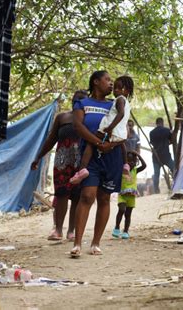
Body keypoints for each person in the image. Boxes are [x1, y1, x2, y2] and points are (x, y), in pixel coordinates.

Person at [70, 70, 124, 257]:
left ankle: (96, 243)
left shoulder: (116, 104)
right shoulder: (82, 104)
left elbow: (123, 129)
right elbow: (78, 126)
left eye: (112, 81)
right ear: (95, 82)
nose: (111, 84)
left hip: (112, 154)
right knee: (87, 195)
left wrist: (111, 144)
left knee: (104, 198)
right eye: (107, 80)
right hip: (90, 154)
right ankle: (77, 243)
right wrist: (98, 142)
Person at [31, 90, 88, 241]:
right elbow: (51, 139)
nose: (79, 103)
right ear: (72, 101)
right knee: (61, 194)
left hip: (81, 163)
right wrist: (37, 157)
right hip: (62, 163)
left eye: (82, 100)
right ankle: (58, 230)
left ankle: (71, 231)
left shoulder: (89, 120)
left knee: (77, 197)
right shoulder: (62, 117)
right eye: (76, 100)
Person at [69, 76, 134, 184]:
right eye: (115, 88)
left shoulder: (119, 100)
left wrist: (110, 128)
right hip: (120, 135)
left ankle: (82, 169)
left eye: (118, 88)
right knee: (121, 144)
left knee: (92, 141)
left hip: (112, 131)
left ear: (126, 90)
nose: (115, 89)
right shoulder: (126, 103)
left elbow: (121, 114)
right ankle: (125, 164)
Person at [112, 151, 146, 239]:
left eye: (134, 161)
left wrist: (138, 155)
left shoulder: (135, 170)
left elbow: (144, 166)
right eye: (129, 160)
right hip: (122, 195)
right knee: (121, 210)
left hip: (131, 196)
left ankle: (126, 231)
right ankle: (116, 228)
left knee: (128, 215)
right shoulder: (121, 170)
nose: (131, 162)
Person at [149, 117, 175, 194]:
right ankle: (175, 185)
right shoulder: (167, 131)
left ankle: (156, 190)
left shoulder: (152, 132)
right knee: (174, 169)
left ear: (156, 123)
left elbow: (152, 143)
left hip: (156, 156)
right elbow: (172, 141)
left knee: (156, 174)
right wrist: (167, 143)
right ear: (162, 123)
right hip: (166, 155)